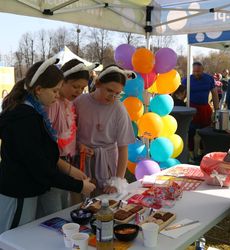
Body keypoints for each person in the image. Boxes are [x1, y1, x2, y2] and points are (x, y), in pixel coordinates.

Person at [0, 58, 95, 234]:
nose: (57, 96)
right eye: (54, 91)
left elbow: (43, 156)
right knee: (13, 236)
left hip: (27, 190)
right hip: (18, 192)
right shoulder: (25, 119)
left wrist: (70, 171)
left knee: (25, 234)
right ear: (38, 90)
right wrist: (78, 186)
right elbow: (40, 167)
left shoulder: (33, 113)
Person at [36, 59, 98, 218]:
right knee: (53, 211)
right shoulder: (52, 104)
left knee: (64, 206)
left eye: (82, 88)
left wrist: (79, 147)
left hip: (66, 163)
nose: (78, 91)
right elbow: (46, 141)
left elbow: (68, 135)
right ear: (62, 81)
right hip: (54, 165)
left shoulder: (69, 104)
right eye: (75, 86)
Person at [74, 65, 135, 195]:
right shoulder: (80, 102)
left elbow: (123, 148)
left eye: (117, 93)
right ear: (97, 83)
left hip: (107, 167)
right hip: (81, 163)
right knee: (81, 206)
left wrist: (117, 181)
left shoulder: (119, 109)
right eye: (109, 90)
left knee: (105, 207)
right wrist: (79, 145)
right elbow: (70, 132)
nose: (112, 96)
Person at [181, 62, 219, 161]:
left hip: (205, 109)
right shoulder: (187, 80)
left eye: (198, 71)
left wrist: (217, 110)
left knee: (205, 132)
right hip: (192, 109)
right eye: (194, 71)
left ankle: (202, 152)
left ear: (203, 70)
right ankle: (191, 153)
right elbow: (181, 94)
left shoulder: (209, 79)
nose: (196, 73)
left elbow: (214, 94)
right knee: (191, 131)